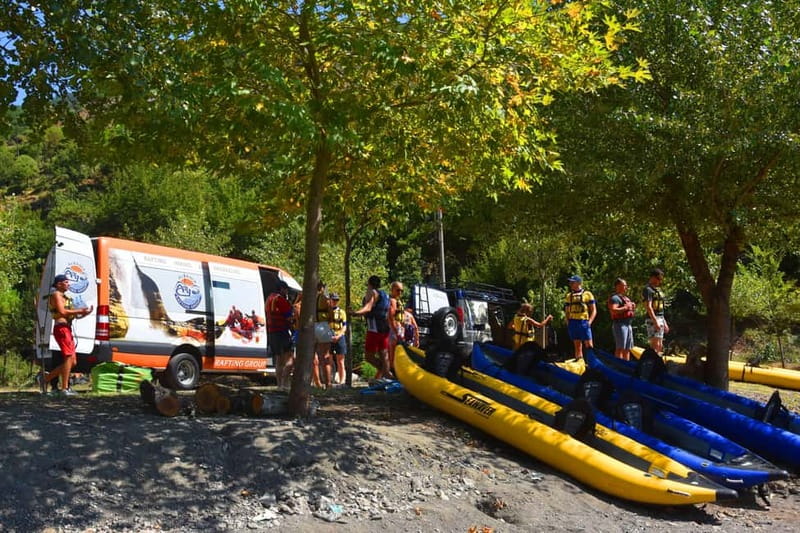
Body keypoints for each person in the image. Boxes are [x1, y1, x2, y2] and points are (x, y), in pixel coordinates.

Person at [41, 274, 93, 396]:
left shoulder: (66, 297)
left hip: (67, 328)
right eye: (66, 282)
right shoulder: (56, 295)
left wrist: (84, 313)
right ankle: (64, 388)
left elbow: (73, 315)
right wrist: (79, 310)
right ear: (59, 284)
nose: (69, 284)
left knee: (72, 361)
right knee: (68, 357)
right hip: (61, 328)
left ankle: (46, 379)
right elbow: (62, 312)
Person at [351, 275, 392, 380]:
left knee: (369, 357)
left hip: (374, 328)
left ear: (369, 283)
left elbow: (368, 307)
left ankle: (385, 372)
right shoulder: (385, 295)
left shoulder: (372, 292)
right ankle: (384, 376)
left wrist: (355, 313)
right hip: (384, 328)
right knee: (383, 354)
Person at [266, 281, 294, 390]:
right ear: (282, 289)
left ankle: (279, 385)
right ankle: (285, 383)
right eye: (286, 290)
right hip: (282, 331)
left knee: (278, 359)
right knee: (290, 359)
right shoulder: (280, 300)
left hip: (272, 332)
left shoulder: (269, 299)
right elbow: (289, 317)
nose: (286, 292)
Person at [563, 275, 596, 360]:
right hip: (573, 322)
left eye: (572, 282)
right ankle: (579, 361)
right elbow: (566, 311)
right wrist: (567, 321)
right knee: (577, 345)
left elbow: (594, 310)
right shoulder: (569, 296)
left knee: (589, 345)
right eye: (570, 282)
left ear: (578, 283)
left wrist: (589, 322)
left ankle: (592, 362)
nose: (570, 284)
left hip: (584, 321)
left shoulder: (587, 294)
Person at [607, 278, 636, 360]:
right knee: (620, 347)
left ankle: (626, 364)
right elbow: (613, 310)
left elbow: (629, 310)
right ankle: (618, 365)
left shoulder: (626, 298)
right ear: (618, 286)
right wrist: (626, 307)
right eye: (624, 285)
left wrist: (632, 307)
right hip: (620, 324)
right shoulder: (615, 298)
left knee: (627, 348)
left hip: (628, 324)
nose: (626, 287)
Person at [643, 268, 669, 353]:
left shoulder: (657, 290)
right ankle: (653, 361)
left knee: (660, 345)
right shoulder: (648, 290)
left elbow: (660, 310)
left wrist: (664, 322)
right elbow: (649, 307)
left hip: (660, 318)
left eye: (661, 279)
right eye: (658, 278)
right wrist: (655, 321)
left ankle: (659, 360)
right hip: (652, 319)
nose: (660, 281)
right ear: (652, 277)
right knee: (655, 344)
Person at [313, 281, 332, 388]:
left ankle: (318, 383)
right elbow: (331, 311)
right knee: (325, 356)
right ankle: (328, 383)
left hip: (312, 326)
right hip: (323, 326)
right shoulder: (324, 297)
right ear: (322, 288)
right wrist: (330, 320)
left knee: (314, 356)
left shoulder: (309, 298)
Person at [328, 293, 348, 385]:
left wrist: (338, 336)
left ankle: (342, 381)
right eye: (333, 300)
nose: (335, 302)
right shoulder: (326, 312)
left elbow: (344, 326)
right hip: (328, 337)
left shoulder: (342, 312)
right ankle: (329, 380)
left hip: (340, 337)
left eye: (337, 300)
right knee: (329, 360)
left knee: (340, 360)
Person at [387, 281, 405, 373]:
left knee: (397, 352)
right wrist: (395, 331)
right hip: (394, 329)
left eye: (401, 291)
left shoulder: (398, 301)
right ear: (392, 290)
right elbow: (391, 317)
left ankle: (394, 371)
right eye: (398, 290)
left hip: (399, 328)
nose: (400, 292)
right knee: (393, 352)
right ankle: (392, 371)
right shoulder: (392, 301)